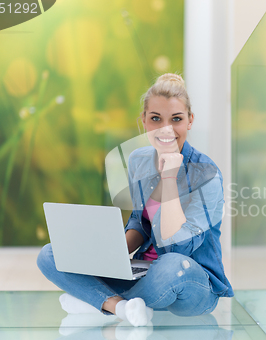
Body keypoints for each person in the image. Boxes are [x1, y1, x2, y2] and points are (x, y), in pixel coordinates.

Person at [37, 73, 233, 326]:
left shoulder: (206, 174)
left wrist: (169, 178)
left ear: (190, 121)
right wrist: (111, 254)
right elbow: (141, 222)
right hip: (144, 273)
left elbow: (177, 247)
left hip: (190, 281)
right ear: (143, 121)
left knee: (172, 265)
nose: (166, 129)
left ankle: (96, 301)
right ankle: (118, 307)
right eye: (155, 119)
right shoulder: (139, 160)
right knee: (51, 253)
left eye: (176, 119)